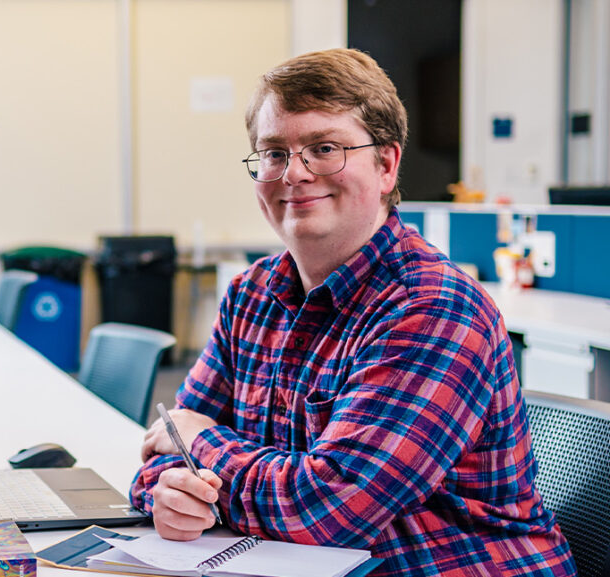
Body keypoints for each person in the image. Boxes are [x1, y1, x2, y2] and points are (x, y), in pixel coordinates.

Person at [132, 48, 576, 576]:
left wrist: (203, 444)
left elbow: (326, 511)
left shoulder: (433, 307)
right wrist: (172, 495)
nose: (293, 173)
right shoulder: (249, 295)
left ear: (386, 165)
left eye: (324, 148)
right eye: (273, 152)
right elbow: (158, 455)